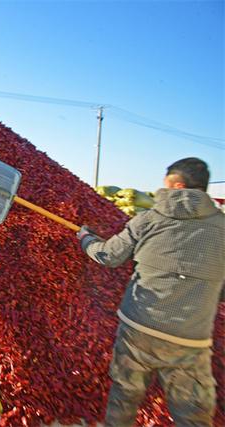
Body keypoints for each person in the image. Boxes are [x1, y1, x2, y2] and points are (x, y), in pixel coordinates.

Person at [76, 157, 224, 426]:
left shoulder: (148, 219)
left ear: (178, 186)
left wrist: (86, 239)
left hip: (138, 329)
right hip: (190, 339)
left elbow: (108, 256)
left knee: (124, 396)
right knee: (193, 413)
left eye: (166, 185)